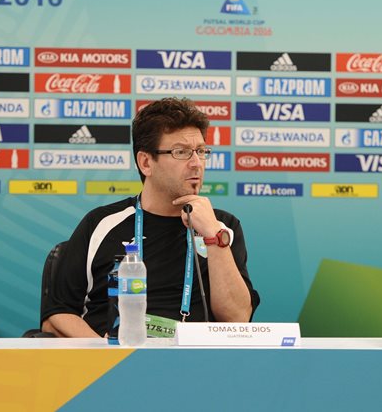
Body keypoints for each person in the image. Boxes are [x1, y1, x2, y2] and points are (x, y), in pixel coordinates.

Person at [41, 97, 260, 337]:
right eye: (181, 152)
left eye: (201, 151)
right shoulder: (101, 223)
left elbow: (238, 319)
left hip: (195, 366)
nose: (197, 163)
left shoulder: (222, 228)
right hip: (113, 363)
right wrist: (106, 354)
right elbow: (57, 315)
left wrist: (213, 237)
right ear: (146, 163)